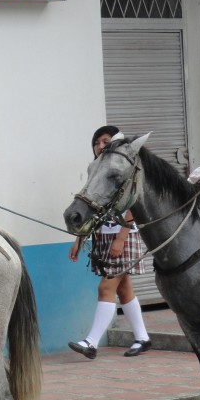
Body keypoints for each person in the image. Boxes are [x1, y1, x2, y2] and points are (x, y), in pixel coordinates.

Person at [68, 125, 152, 359]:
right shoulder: (98, 172)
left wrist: (120, 239)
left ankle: (91, 342)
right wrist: (80, 239)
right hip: (103, 237)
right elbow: (91, 208)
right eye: (97, 142)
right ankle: (143, 338)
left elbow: (134, 205)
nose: (100, 146)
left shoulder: (124, 169)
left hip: (123, 237)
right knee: (124, 290)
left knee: (106, 287)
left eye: (105, 141)